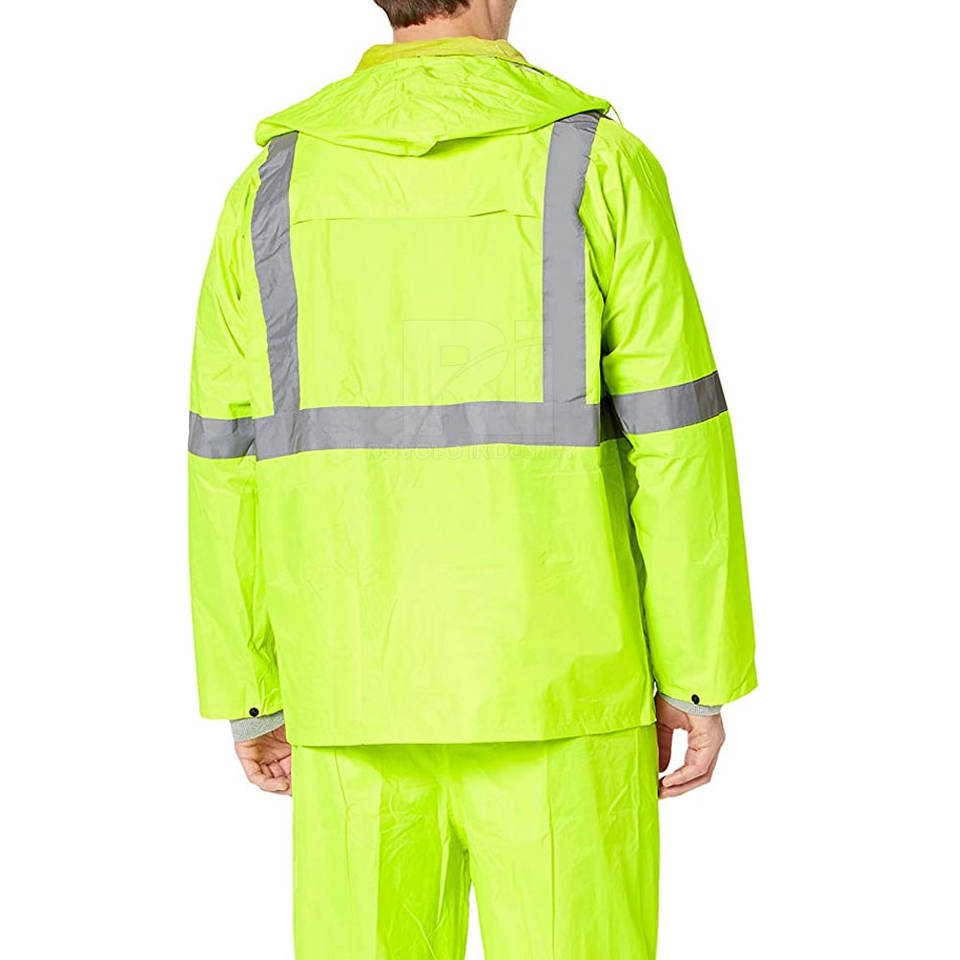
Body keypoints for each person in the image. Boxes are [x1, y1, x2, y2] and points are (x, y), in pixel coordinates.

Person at [187, 0, 757, 956]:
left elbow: (226, 460)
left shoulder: (272, 186)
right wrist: (698, 672)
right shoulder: (595, 164)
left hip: (351, 682)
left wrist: (249, 688)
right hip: (563, 682)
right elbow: (676, 438)